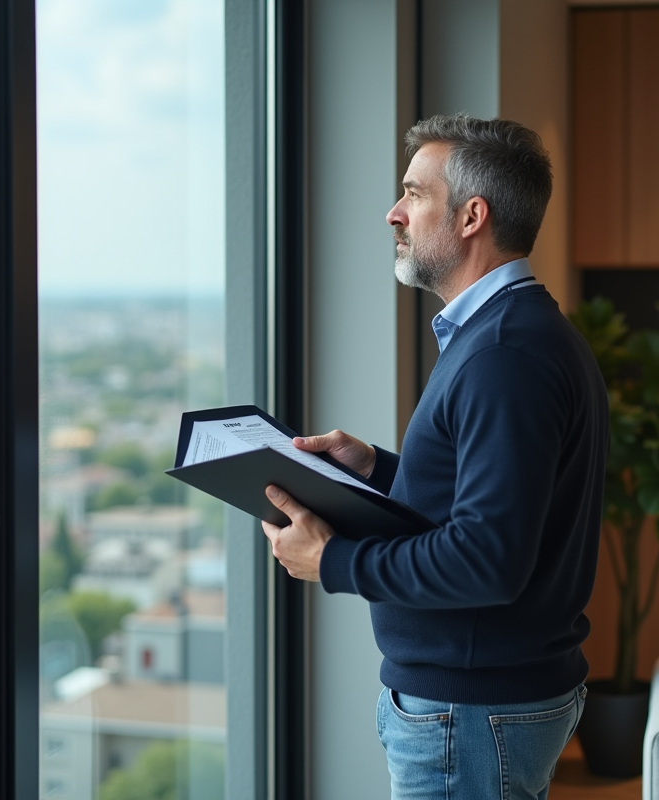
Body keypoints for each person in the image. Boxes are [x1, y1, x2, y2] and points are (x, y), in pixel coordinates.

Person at [261, 114, 609, 800]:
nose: (394, 213)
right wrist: (381, 470)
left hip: (471, 712)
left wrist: (332, 561)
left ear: (472, 215)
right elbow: (503, 502)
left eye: (414, 193)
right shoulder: (513, 332)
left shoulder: (503, 354)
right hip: (483, 704)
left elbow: (488, 558)